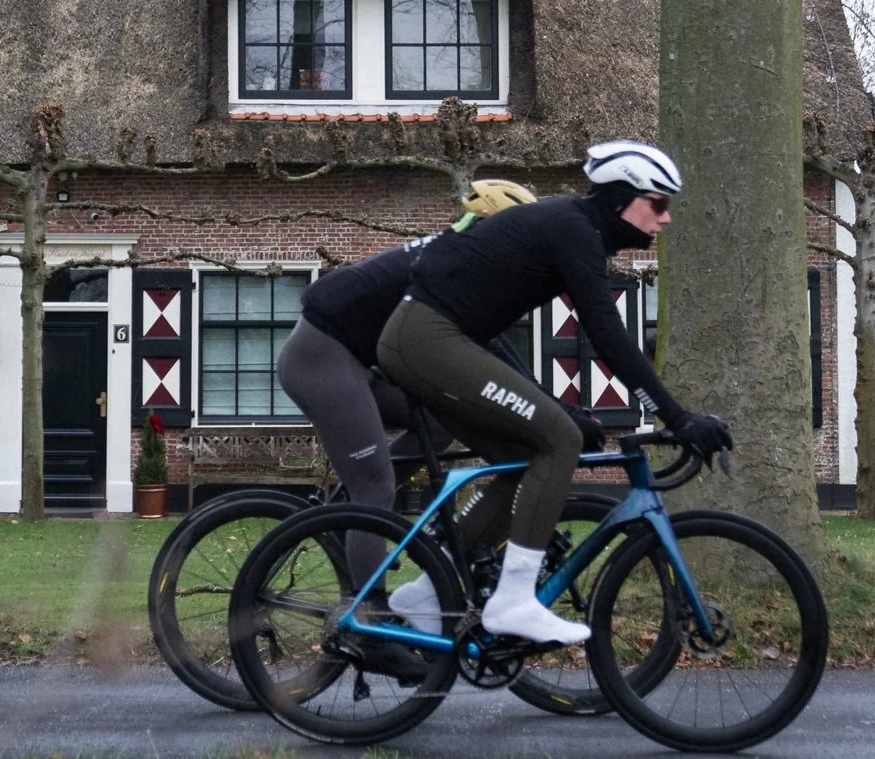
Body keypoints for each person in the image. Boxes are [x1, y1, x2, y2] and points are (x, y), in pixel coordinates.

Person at [376, 141, 733, 647]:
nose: (666, 218)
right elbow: (607, 335)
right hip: (426, 340)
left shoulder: (574, 227)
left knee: (525, 455)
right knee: (559, 441)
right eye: (659, 203)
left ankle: (424, 594)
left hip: (435, 338)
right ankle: (513, 599)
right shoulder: (573, 228)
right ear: (620, 198)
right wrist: (676, 417)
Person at [274, 180, 548, 603]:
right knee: (376, 488)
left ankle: (356, 510)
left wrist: (543, 400)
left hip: (358, 362)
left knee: (442, 423)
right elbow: (489, 346)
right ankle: (370, 618)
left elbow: (488, 340)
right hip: (321, 359)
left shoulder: (460, 260)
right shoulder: (449, 263)